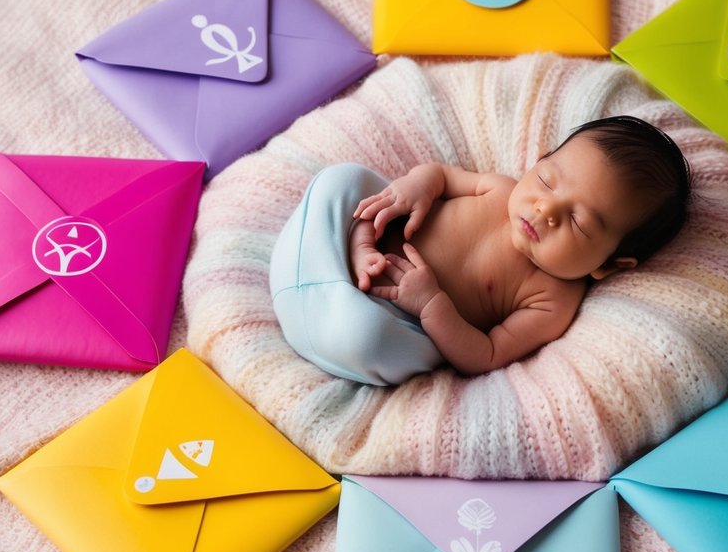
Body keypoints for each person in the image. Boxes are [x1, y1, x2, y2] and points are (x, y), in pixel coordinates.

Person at [269, 115, 691, 385]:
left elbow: (484, 356)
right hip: (338, 250)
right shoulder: (501, 188)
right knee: (343, 180)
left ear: (610, 264)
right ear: (538, 162)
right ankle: (360, 247)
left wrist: (432, 304)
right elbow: (439, 176)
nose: (545, 209)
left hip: (378, 316)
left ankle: (335, 309)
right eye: (546, 180)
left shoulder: (553, 301)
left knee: (374, 339)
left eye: (579, 222)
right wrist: (414, 189)